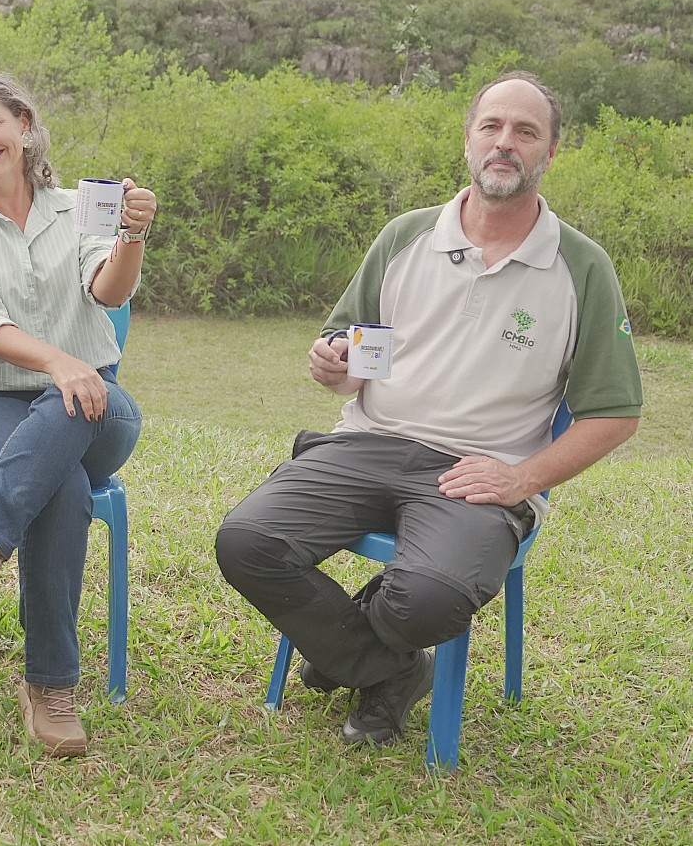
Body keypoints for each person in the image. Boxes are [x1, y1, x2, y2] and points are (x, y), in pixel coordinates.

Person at [214, 72, 644, 747]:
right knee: (246, 541)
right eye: (491, 126)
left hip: (476, 471)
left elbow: (615, 414)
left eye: (525, 131)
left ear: (550, 151)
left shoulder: (582, 267)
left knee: (428, 601)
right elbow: (349, 353)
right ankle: (389, 670)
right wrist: (333, 365)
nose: (504, 143)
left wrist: (521, 478)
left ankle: (350, 645)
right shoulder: (405, 236)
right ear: (468, 138)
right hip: (365, 444)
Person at [0, 70, 154, 757]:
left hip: (95, 406)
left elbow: (108, 291)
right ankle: (50, 685)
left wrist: (130, 236)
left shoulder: (80, 209)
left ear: (24, 124)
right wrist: (58, 362)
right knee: (60, 485)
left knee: (81, 407)